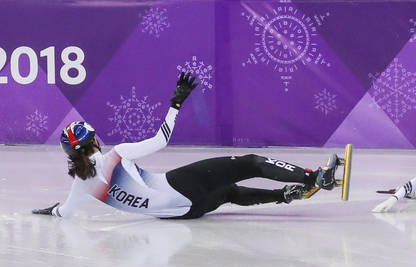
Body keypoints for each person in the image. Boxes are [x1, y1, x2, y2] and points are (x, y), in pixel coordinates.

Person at [32, 72, 338, 219]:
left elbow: (64, 212)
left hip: (184, 212)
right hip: (179, 187)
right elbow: (161, 139)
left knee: (228, 192)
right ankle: (314, 178)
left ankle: (282, 196)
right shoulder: (117, 154)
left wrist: (48, 211)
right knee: (250, 162)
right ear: (95, 140)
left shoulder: (81, 185)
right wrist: (176, 103)